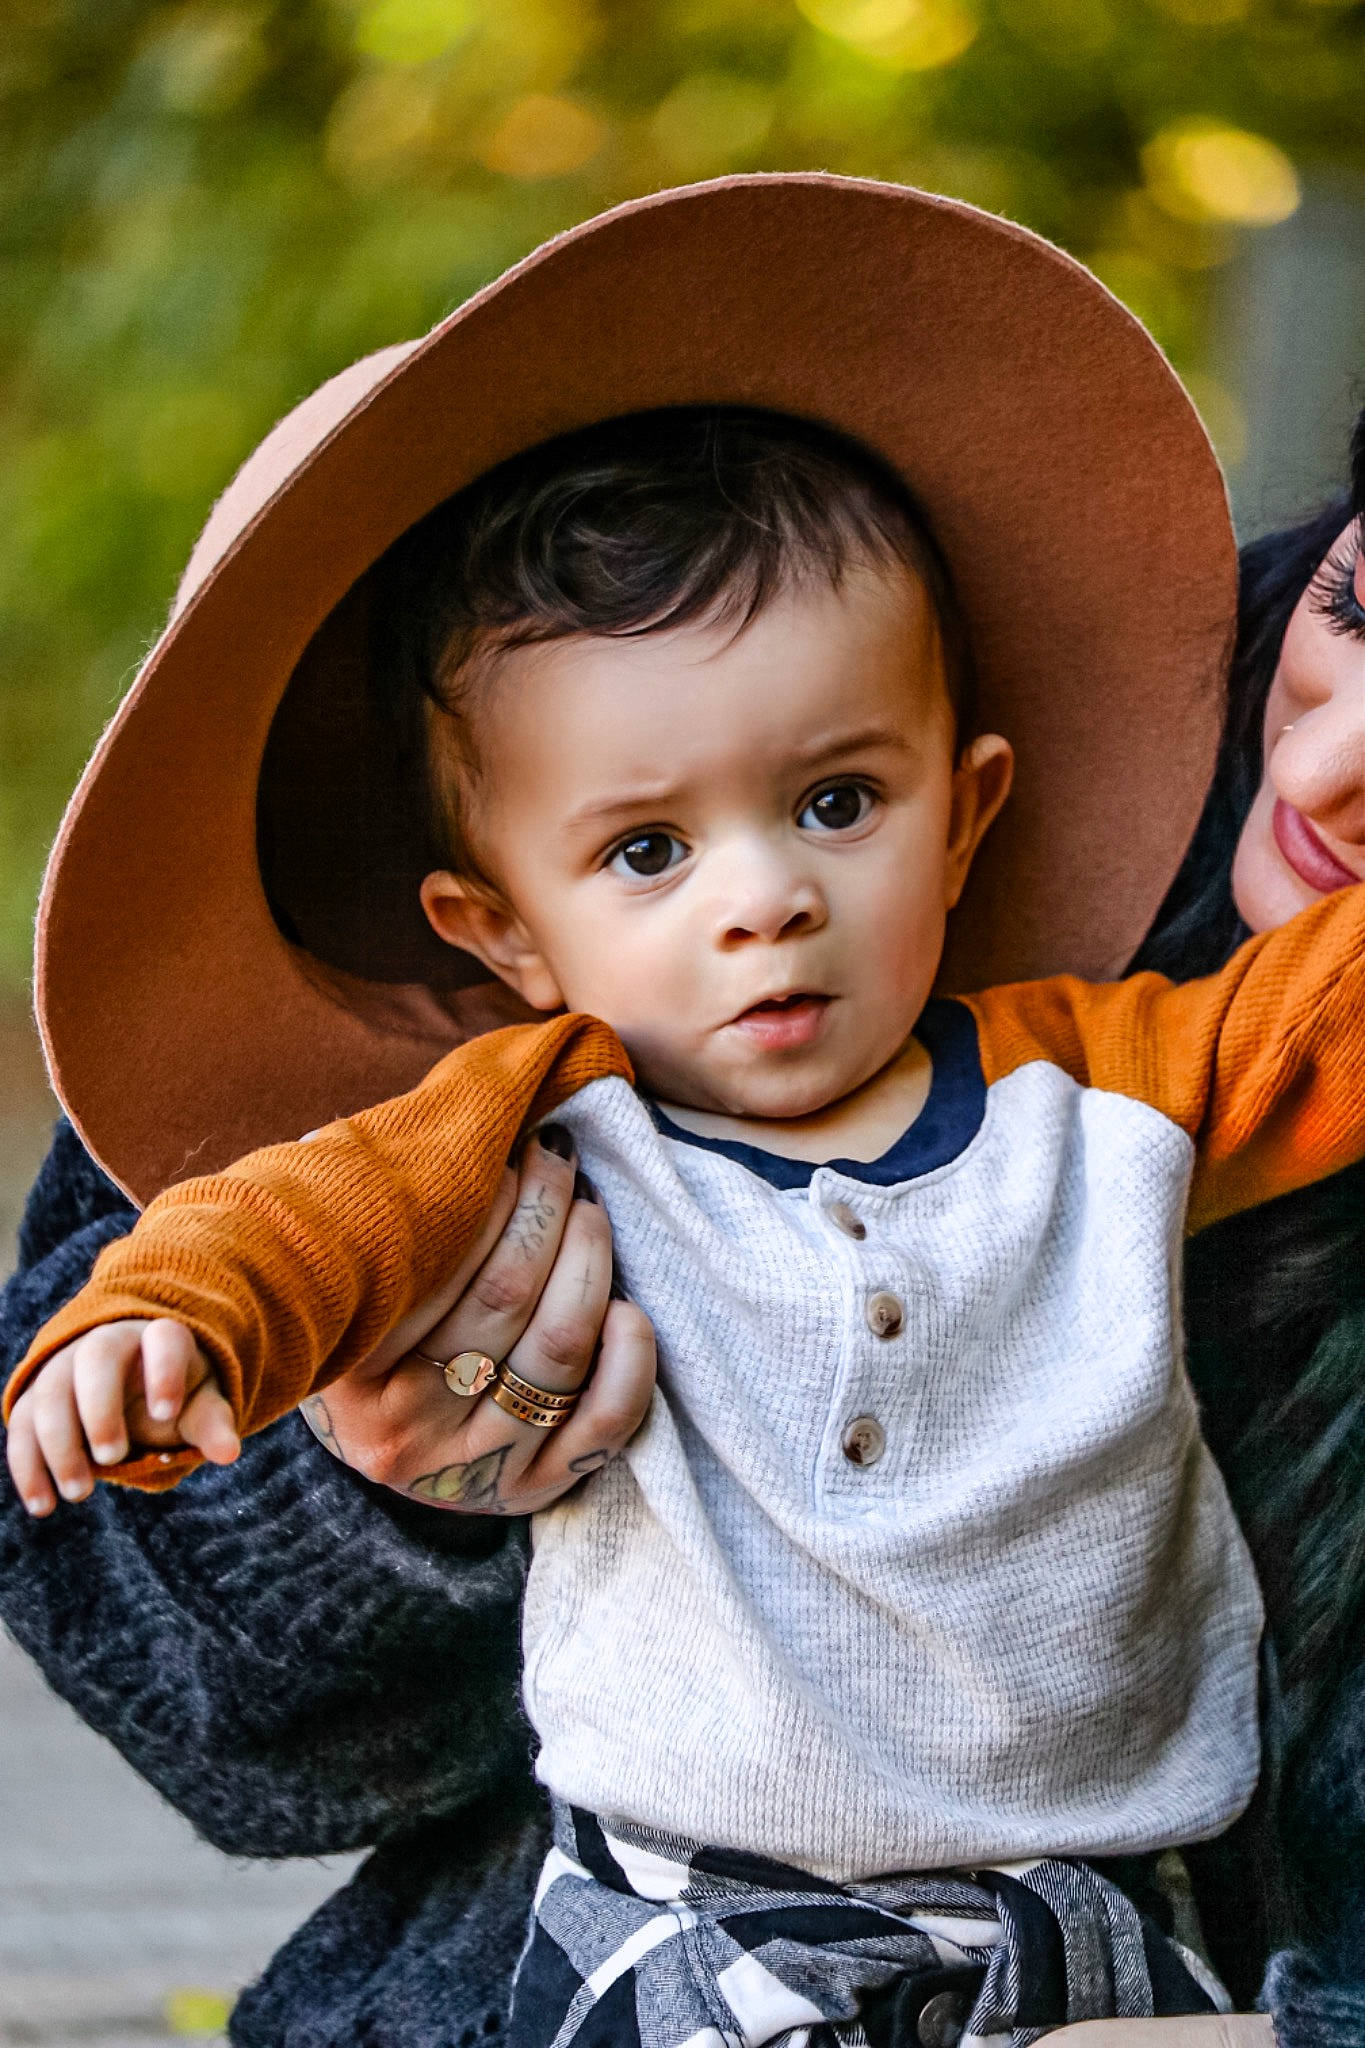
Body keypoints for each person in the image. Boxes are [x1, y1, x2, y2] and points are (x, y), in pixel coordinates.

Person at [0, 176, 1344, 2045]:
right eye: (645, 847)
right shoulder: (529, 1110)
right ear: (493, 930)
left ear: (969, 806)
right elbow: (293, 1218)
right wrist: (173, 1343)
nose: (761, 898)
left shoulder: (1089, 1068)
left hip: (1094, 1905)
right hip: (689, 1912)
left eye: (835, 805)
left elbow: (1305, 1027)